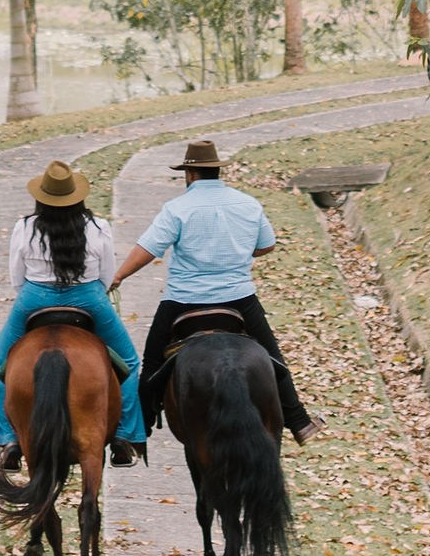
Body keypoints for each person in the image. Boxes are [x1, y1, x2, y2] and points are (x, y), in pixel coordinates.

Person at [114, 137, 313, 437]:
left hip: (184, 300)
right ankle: (298, 420)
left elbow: (149, 249)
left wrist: (119, 276)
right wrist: (238, 252)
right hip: (239, 299)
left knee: (152, 362)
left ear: (190, 174)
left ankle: (139, 428)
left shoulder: (177, 208)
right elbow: (267, 245)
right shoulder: (248, 203)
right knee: (274, 358)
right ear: (217, 170)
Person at [0, 159, 147, 459]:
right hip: (88, 298)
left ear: (41, 197)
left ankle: (8, 437)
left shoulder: (24, 227)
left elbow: (16, 277)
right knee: (130, 362)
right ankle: (124, 435)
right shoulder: (98, 227)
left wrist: (35, 295)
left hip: (34, 298)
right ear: (77, 196)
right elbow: (107, 275)